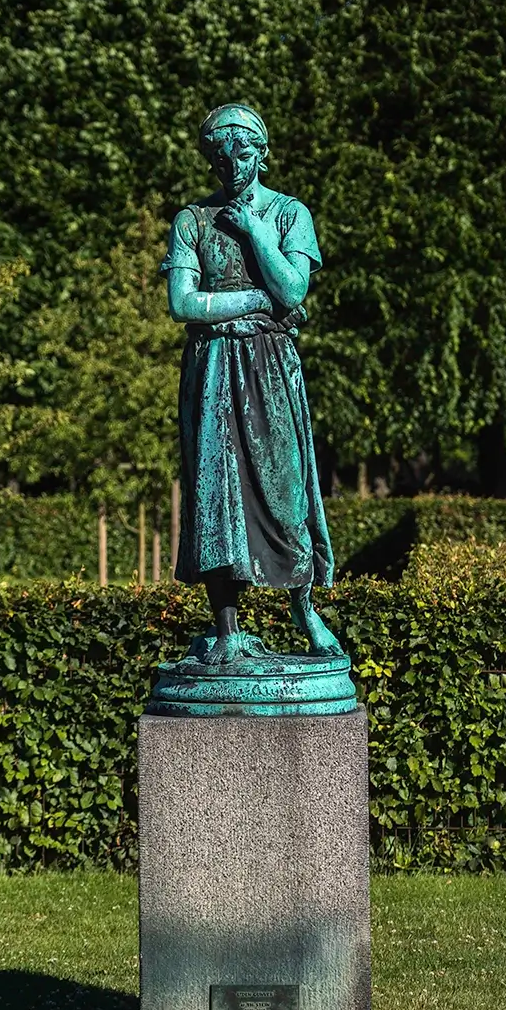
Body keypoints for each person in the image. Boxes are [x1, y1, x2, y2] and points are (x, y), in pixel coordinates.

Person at [162, 103, 342, 664]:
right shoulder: (191, 220)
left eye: (242, 151)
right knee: (216, 498)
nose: (231, 164)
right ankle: (226, 628)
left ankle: (304, 608)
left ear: (262, 151)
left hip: (269, 367)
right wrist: (258, 301)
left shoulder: (288, 214)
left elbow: (294, 290)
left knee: (285, 486)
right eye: (220, 155)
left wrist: (256, 232)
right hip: (214, 366)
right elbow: (182, 303)